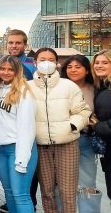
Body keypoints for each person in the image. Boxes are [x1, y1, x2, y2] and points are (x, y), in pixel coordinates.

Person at [28, 47, 91, 213]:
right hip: (41, 146)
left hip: (67, 144)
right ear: (35, 62)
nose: (46, 63)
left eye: (50, 59)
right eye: (42, 59)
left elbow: (83, 111)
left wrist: (71, 126)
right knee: (47, 191)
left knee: (68, 192)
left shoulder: (68, 86)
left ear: (57, 63)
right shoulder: (27, 87)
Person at [0, 55, 37, 213]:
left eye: (10, 69)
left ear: (17, 71)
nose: (6, 72)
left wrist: (22, 159)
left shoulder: (24, 91)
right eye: (2, 69)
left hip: (18, 148)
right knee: (9, 193)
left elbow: (27, 127)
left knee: (21, 195)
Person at [60, 54, 102, 212]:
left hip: (85, 140)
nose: (73, 70)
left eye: (78, 67)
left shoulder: (95, 89)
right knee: (61, 184)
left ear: (86, 70)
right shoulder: (58, 87)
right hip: (62, 141)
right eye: (70, 67)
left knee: (88, 183)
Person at [91, 50, 111, 202]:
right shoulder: (102, 86)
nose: (99, 65)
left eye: (105, 62)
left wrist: (98, 125)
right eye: (97, 62)